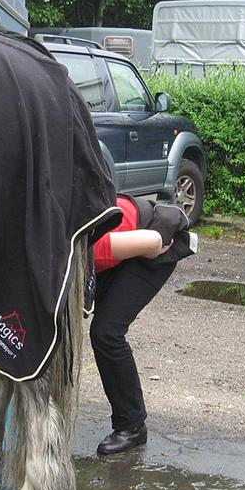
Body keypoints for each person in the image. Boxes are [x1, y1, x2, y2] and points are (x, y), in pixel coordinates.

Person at [90, 193, 193, 454]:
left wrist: (154, 240)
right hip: (123, 242)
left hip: (153, 245)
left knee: (106, 332)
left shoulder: (95, 246)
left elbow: (156, 243)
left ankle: (132, 426)